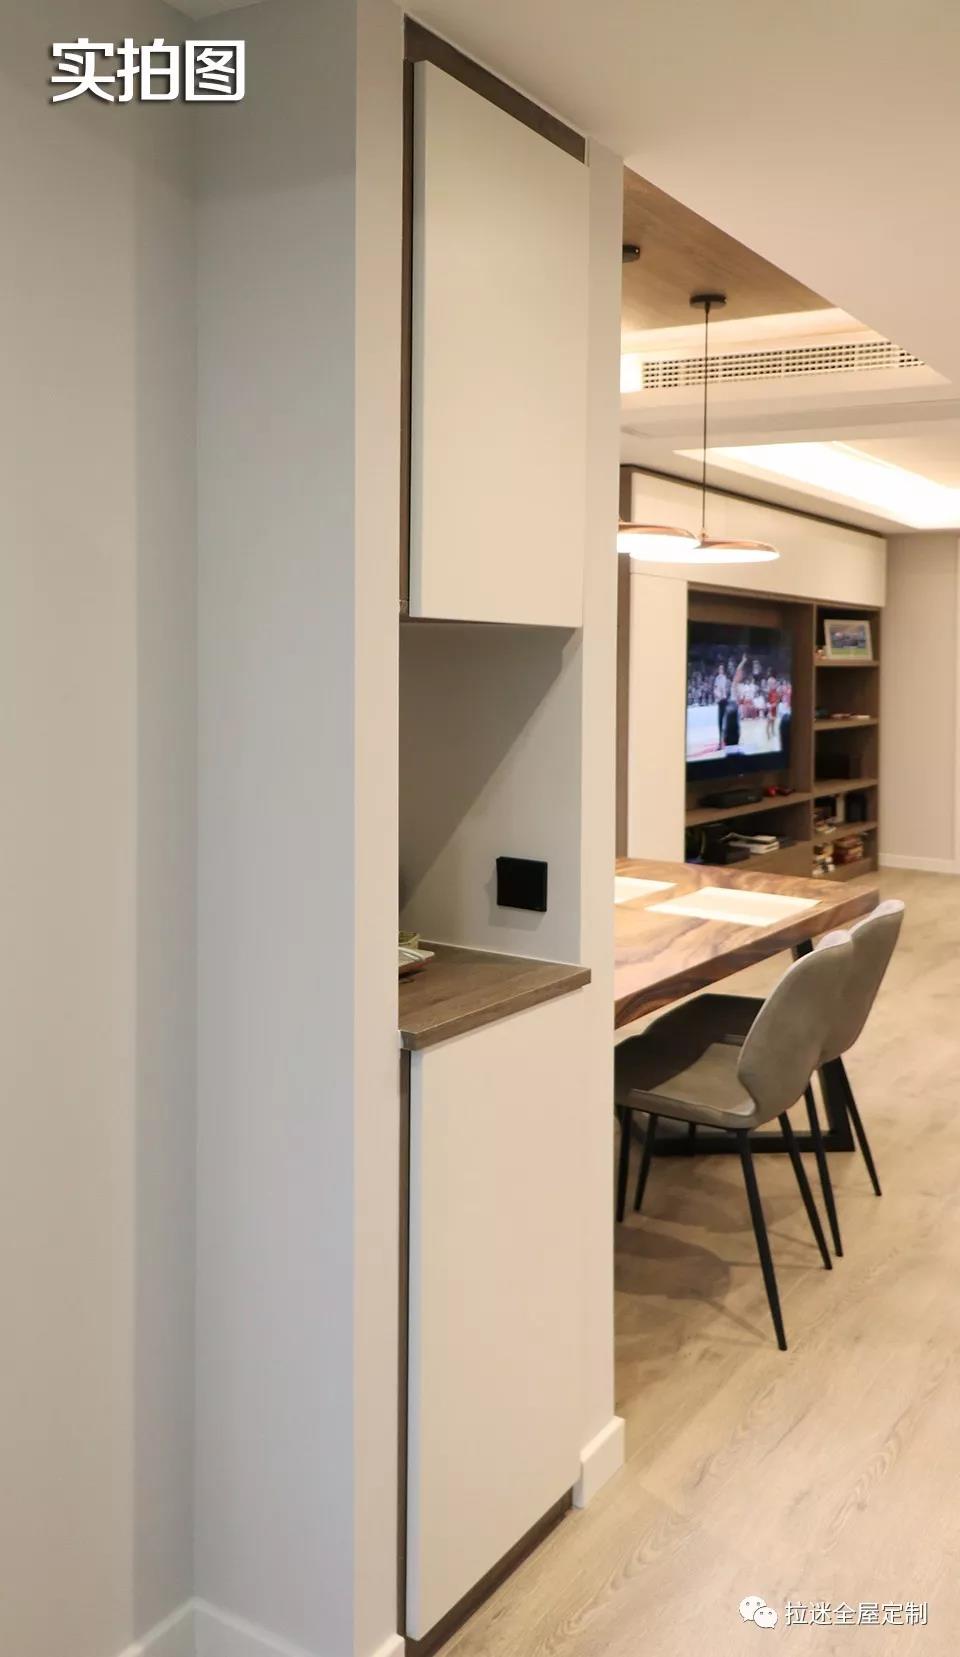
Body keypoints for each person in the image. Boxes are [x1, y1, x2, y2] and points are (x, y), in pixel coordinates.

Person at [712, 658, 730, 750]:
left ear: (723, 670)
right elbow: (715, 689)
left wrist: (723, 694)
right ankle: (720, 743)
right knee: (720, 722)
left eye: (722, 668)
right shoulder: (717, 679)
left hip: (725, 701)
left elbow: (725, 690)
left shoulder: (725, 678)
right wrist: (717, 695)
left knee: (725, 722)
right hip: (720, 702)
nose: (720, 670)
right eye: (719, 668)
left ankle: (726, 741)